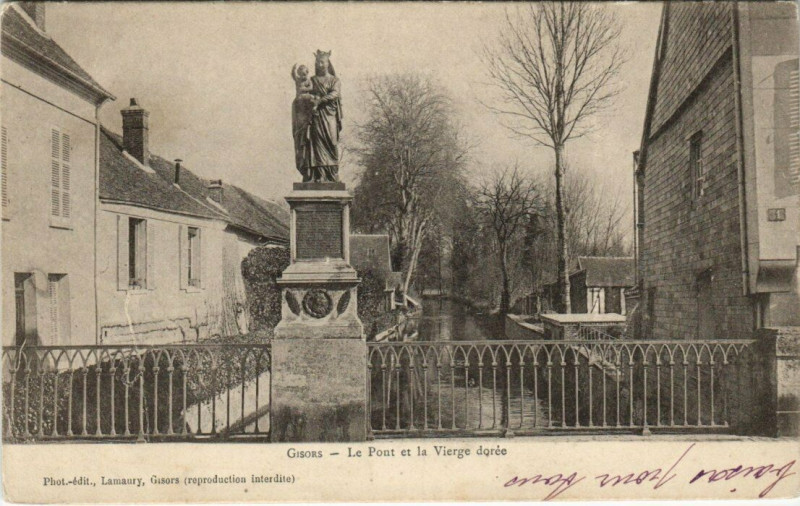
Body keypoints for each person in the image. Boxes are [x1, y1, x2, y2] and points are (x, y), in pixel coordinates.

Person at [307, 50, 343, 182]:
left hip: (330, 116)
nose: (320, 64)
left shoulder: (335, 80)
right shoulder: (312, 80)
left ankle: (332, 174)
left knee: (332, 142)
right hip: (317, 116)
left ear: (328, 63)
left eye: (322, 62)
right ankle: (320, 174)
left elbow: (335, 94)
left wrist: (320, 100)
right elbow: (305, 94)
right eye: (318, 62)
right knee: (317, 144)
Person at [291, 64, 315, 180]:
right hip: (300, 114)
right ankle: (305, 168)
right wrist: (293, 69)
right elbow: (293, 75)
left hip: (307, 115)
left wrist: (303, 90)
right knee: (301, 140)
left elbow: (311, 88)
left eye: (305, 74)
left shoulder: (309, 82)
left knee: (307, 141)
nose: (303, 76)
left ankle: (311, 170)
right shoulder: (298, 80)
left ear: (308, 73)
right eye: (301, 74)